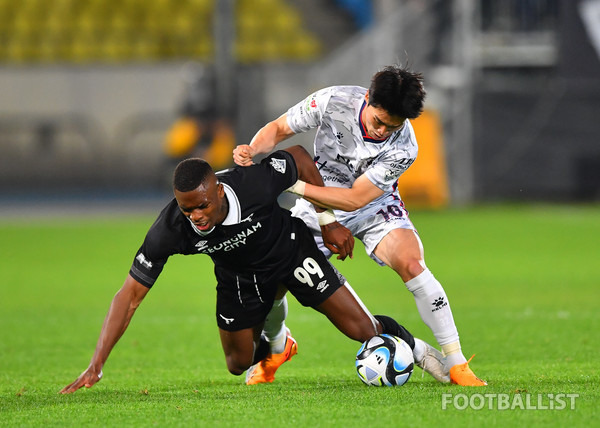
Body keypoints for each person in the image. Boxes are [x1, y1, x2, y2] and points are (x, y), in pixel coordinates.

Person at [60, 146, 447, 394]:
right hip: (238, 278)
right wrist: (96, 366)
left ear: (217, 190)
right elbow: (129, 297)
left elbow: (298, 157)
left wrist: (327, 221)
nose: (195, 216)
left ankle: (422, 351)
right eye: (186, 208)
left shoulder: (254, 184)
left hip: (292, 254)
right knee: (237, 364)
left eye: (202, 206)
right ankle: (279, 342)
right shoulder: (170, 229)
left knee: (363, 332)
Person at [233, 65, 487, 386]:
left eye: (392, 127)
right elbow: (279, 128)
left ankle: (456, 363)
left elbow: (355, 199)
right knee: (270, 284)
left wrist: (288, 183)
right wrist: (253, 149)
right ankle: (278, 347)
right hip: (319, 206)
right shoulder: (332, 101)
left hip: (373, 206)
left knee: (412, 263)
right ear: (367, 99)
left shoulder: (405, 146)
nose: (382, 131)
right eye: (379, 121)